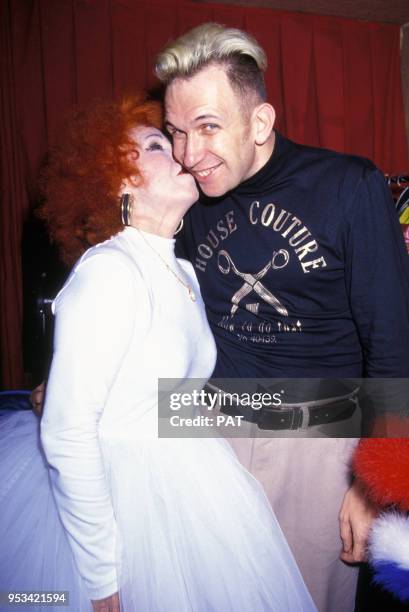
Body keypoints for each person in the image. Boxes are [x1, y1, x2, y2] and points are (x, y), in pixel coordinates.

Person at [0, 96, 316, 611]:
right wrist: (102, 578)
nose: (178, 153)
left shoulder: (184, 271)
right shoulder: (109, 271)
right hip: (127, 509)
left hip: (191, 485)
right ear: (117, 183)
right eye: (154, 145)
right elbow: (67, 432)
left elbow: (167, 394)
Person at [153, 23, 409, 611]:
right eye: (176, 132)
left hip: (315, 443)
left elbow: (393, 341)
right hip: (204, 431)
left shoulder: (348, 185)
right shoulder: (190, 201)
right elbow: (162, 312)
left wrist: (376, 484)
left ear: (261, 123)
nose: (189, 154)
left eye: (209, 126)